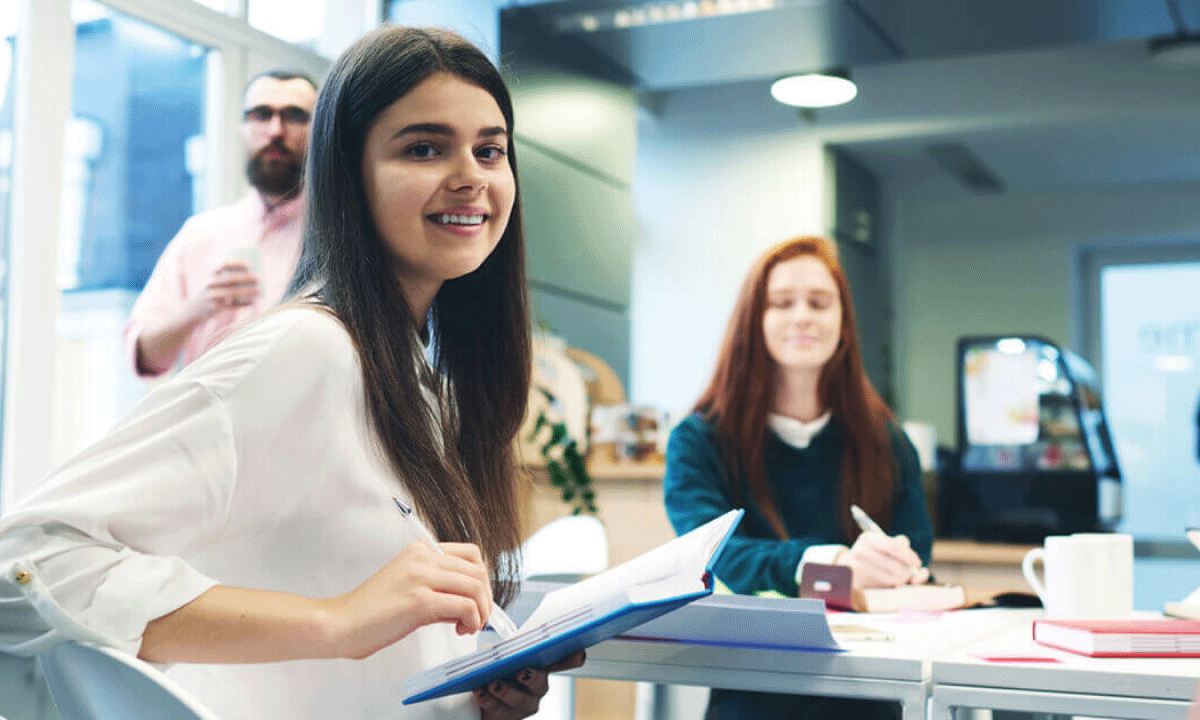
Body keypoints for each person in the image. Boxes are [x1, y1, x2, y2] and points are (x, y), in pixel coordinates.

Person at [0, 26, 582, 720]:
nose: (472, 174)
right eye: (424, 148)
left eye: (490, 149)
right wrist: (336, 621)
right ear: (345, 172)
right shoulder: (307, 351)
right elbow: (25, 563)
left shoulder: (418, 379)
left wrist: (471, 694)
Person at [663, 236, 933, 720]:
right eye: (782, 303)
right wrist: (834, 567)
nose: (803, 316)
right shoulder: (699, 442)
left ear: (844, 324)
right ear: (754, 322)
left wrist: (899, 567)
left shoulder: (888, 443)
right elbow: (717, 554)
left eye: (819, 302)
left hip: (867, 698)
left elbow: (919, 557)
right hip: (752, 697)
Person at [122, 69, 317, 378]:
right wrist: (200, 306)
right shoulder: (200, 234)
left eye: (295, 116)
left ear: (319, 131)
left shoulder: (338, 238)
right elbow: (144, 354)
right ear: (242, 128)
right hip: (206, 421)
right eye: (261, 114)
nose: (276, 130)